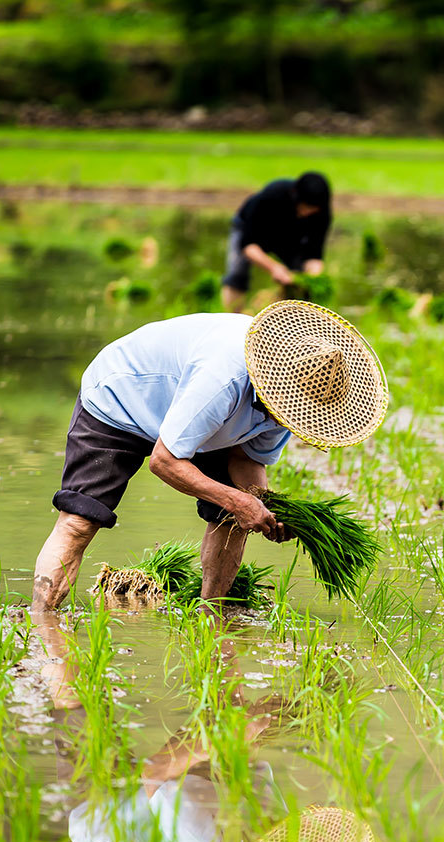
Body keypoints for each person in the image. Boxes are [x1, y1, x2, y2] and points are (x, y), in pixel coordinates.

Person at [32, 300, 388, 612]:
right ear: (272, 381)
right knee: (80, 521)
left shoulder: (295, 402)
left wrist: (262, 506)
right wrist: (236, 501)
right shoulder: (223, 376)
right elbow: (165, 461)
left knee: (234, 518)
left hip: (200, 421)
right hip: (122, 397)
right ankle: (41, 626)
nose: (287, 419)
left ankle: (211, 616)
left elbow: (247, 461)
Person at [222, 172, 332, 313]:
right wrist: (274, 267)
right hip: (251, 230)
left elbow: (314, 254)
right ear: (296, 198)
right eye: (305, 207)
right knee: (237, 276)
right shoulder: (272, 196)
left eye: (313, 210)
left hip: (289, 236)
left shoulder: (322, 212)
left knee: (297, 285)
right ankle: (234, 319)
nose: (307, 213)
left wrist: (311, 278)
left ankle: (282, 323)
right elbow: (248, 245)